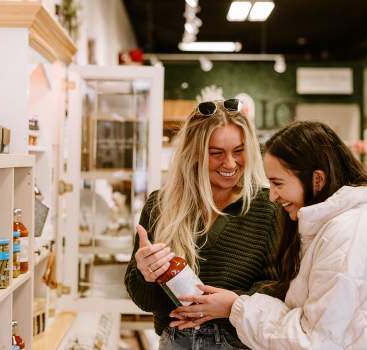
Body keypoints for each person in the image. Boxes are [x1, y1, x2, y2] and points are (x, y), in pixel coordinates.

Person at [169, 120, 367, 349]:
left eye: (278, 183)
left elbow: (314, 341)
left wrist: (236, 307)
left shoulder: (344, 235)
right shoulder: (327, 227)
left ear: (317, 179)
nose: (272, 196)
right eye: (216, 153)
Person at [124, 99, 280, 349]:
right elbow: (145, 301)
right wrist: (145, 274)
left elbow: (280, 288)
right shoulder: (160, 205)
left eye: (239, 151)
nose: (230, 164)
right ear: (193, 153)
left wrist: (232, 305)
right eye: (216, 153)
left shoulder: (268, 207)